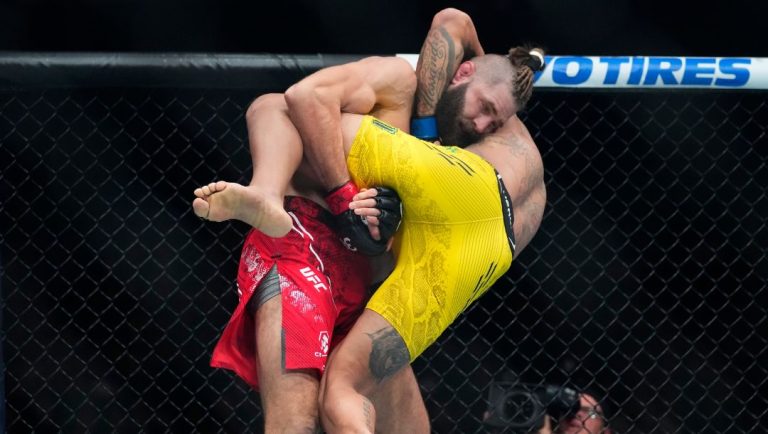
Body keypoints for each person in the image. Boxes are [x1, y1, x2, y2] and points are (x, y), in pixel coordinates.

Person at [198, 8, 504, 433]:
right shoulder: (397, 84)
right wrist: (344, 196)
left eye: (496, 119)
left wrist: (387, 216)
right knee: (294, 423)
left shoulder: (459, 160)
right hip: (302, 243)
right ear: (461, 71)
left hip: (369, 292)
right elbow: (454, 20)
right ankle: (265, 193)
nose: (484, 124)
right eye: (485, 106)